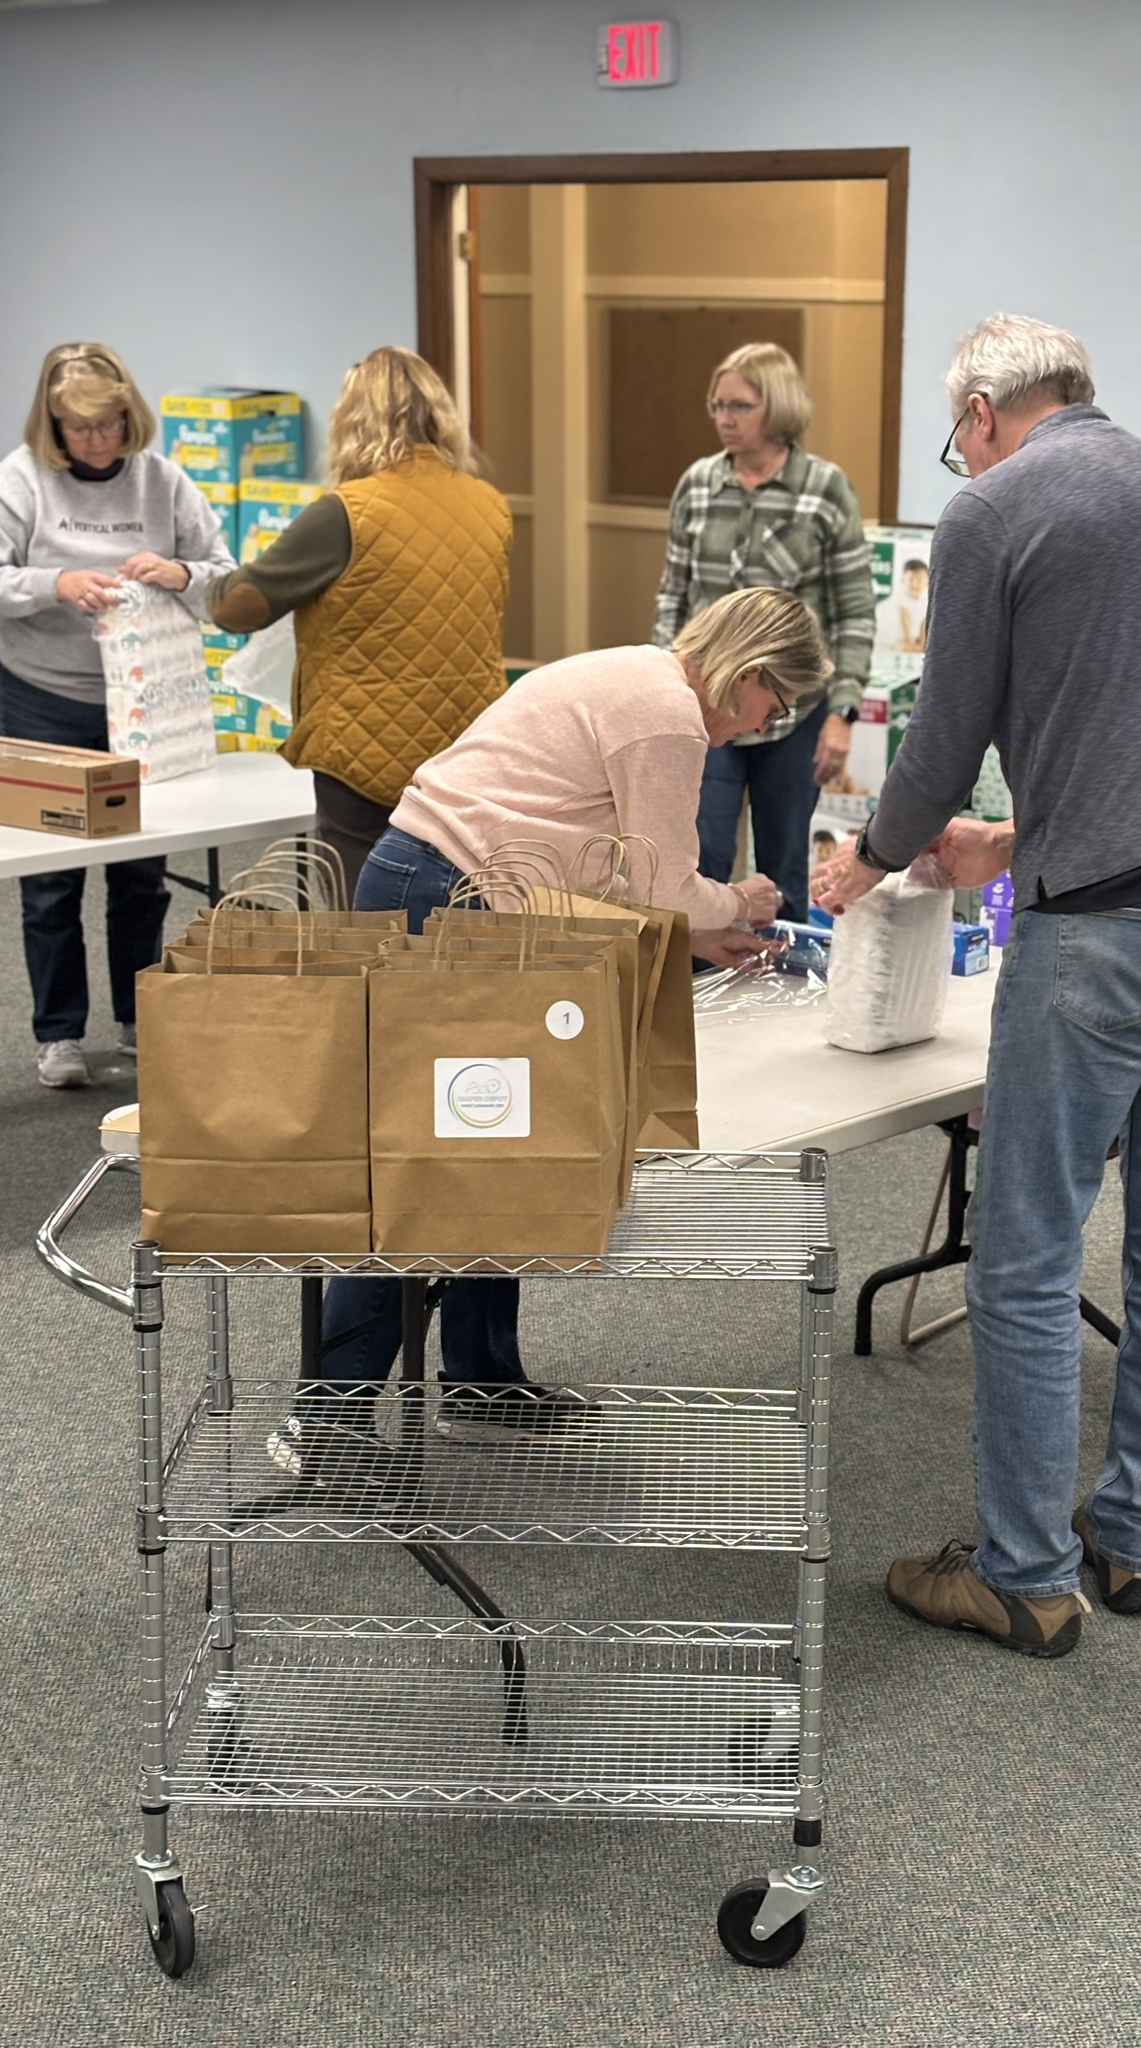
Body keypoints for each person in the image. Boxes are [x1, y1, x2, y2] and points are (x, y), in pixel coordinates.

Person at [814, 313, 1141, 1660]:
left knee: (1025, 1256)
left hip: (1109, 928)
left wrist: (875, 858)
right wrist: (1030, 834)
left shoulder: (996, 510)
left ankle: (1022, 1572)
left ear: (978, 415)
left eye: (954, 438)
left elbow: (943, 729)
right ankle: (1133, 1544)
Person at [269, 585, 826, 1477]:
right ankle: (325, 1420)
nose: (769, 724)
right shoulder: (669, 719)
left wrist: (706, 925)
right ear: (751, 672)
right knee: (436, 1162)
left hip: (439, 878)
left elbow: (605, 863)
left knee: (496, 1145)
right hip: (445, 893)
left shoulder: (638, 678)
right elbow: (662, 886)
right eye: (778, 703)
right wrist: (741, 901)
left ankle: (482, 1381)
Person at [0, 341, 236, 1089]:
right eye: (79, 430)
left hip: (140, 705)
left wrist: (179, 573)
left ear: (128, 415)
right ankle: (59, 1035)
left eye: (109, 424)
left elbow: (227, 578)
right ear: (52, 425)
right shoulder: (17, 483)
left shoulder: (163, 482)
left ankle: (139, 1018)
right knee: (51, 879)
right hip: (42, 694)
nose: (97, 441)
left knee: (140, 873)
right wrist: (57, 583)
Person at [208, 345, 511, 899]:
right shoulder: (489, 504)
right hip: (462, 743)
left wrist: (204, 580)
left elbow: (239, 606)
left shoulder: (346, 512)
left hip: (362, 753)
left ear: (354, 420)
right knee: (453, 909)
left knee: (365, 919)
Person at [653, 342, 875, 921]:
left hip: (792, 713)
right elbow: (673, 597)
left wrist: (842, 712)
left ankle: (786, 996)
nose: (724, 417)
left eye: (740, 406)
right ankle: (702, 996)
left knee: (784, 872)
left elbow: (854, 611)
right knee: (701, 860)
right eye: (717, 405)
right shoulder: (698, 485)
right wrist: (661, 690)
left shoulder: (824, 489)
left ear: (775, 408)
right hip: (706, 704)